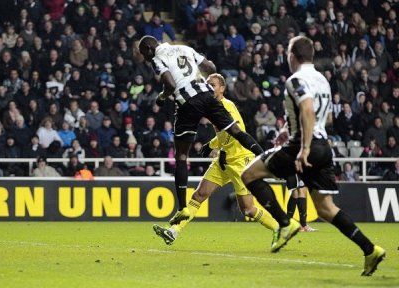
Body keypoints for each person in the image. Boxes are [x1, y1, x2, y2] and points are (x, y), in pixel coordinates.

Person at [240, 36, 384, 275]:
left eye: (287, 53)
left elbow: (307, 108)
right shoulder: (322, 80)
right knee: (326, 209)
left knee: (249, 175)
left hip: (303, 147)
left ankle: (285, 224)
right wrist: (289, 129)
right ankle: (371, 250)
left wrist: (303, 146)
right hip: (323, 147)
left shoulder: (295, 79)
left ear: (293, 55)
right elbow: (324, 118)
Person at [138, 36, 263, 225]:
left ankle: (181, 209)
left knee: (181, 157)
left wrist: (162, 97)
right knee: (236, 131)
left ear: (148, 49)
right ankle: (268, 160)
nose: (146, 58)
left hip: (187, 103)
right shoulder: (184, 48)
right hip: (206, 95)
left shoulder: (157, 58)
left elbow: (170, 85)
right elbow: (211, 67)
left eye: (144, 54)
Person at [153, 74, 278, 245]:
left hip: (240, 161)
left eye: (213, 85)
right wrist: (211, 145)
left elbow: (236, 132)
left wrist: (216, 146)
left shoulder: (227, 105)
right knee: (199, 195)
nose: (209, 87)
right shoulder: (211, 106)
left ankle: (278, 227)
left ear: (222, 88)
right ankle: (174, 231)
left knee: (248, 210)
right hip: (223, 161)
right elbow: (222, 134)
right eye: (207, 84)